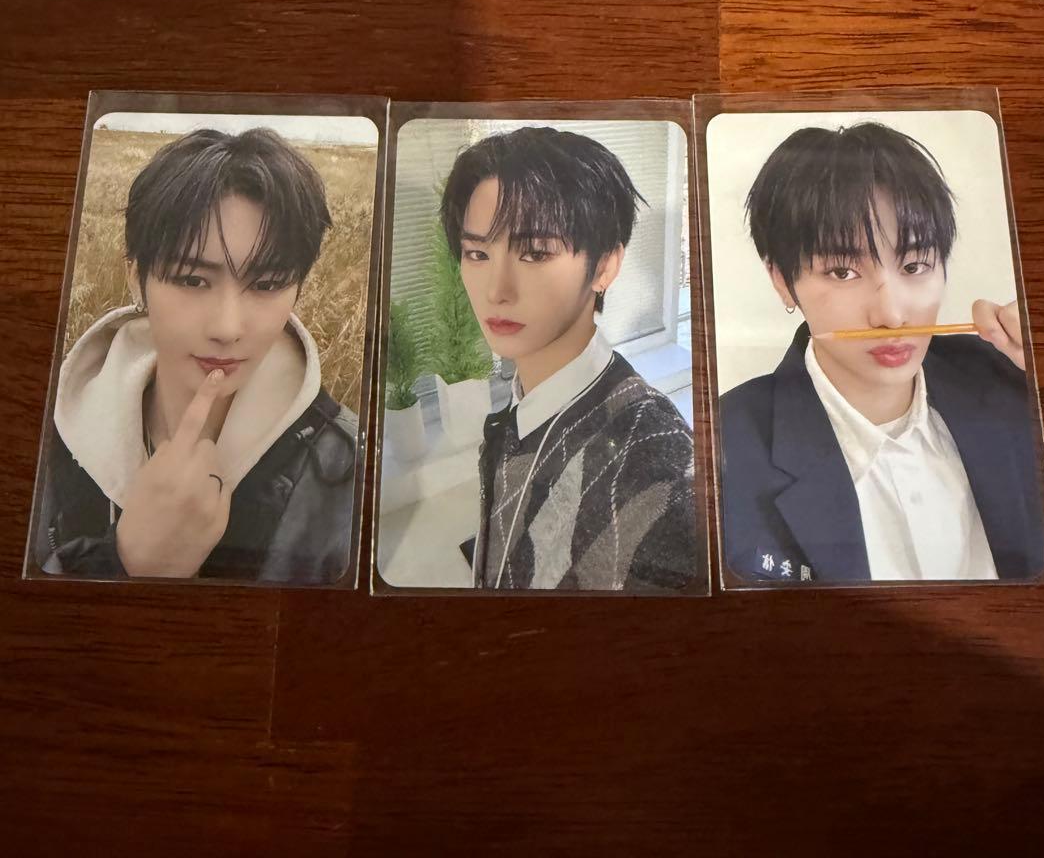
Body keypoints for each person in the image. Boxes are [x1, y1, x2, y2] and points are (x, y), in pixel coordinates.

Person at [720, 121, 1044, 585]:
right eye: (842, 272)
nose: (892, 315)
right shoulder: (721, 444)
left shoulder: (1011, 376)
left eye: (915, 265)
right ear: (781, 280)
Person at [33, 126, 358, 584]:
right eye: (191, 280)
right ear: (136, 279)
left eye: (266, 285)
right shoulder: (49, 429)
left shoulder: (350, 472)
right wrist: (126, 562)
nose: (227, 328)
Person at [439, 126, 698, 592]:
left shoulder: (659, 472)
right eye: (477, 253)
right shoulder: (520, 411)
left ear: (605, 266)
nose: (496, 290)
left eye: (535, 254)